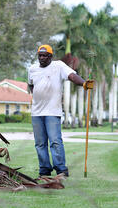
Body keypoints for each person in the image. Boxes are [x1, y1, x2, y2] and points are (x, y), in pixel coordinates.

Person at [28, 44, 94, 178]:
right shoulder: (32, 69)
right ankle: (44, 171)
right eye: (40, 55)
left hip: (53, 112)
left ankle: (61, 170)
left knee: (55, 141)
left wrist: (83, 83)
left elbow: (71, 76)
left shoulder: (58, 66)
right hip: (36, 112)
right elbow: (30, 84)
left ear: (51, 56)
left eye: (45, 55)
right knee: (40, 144)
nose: (42, 58)